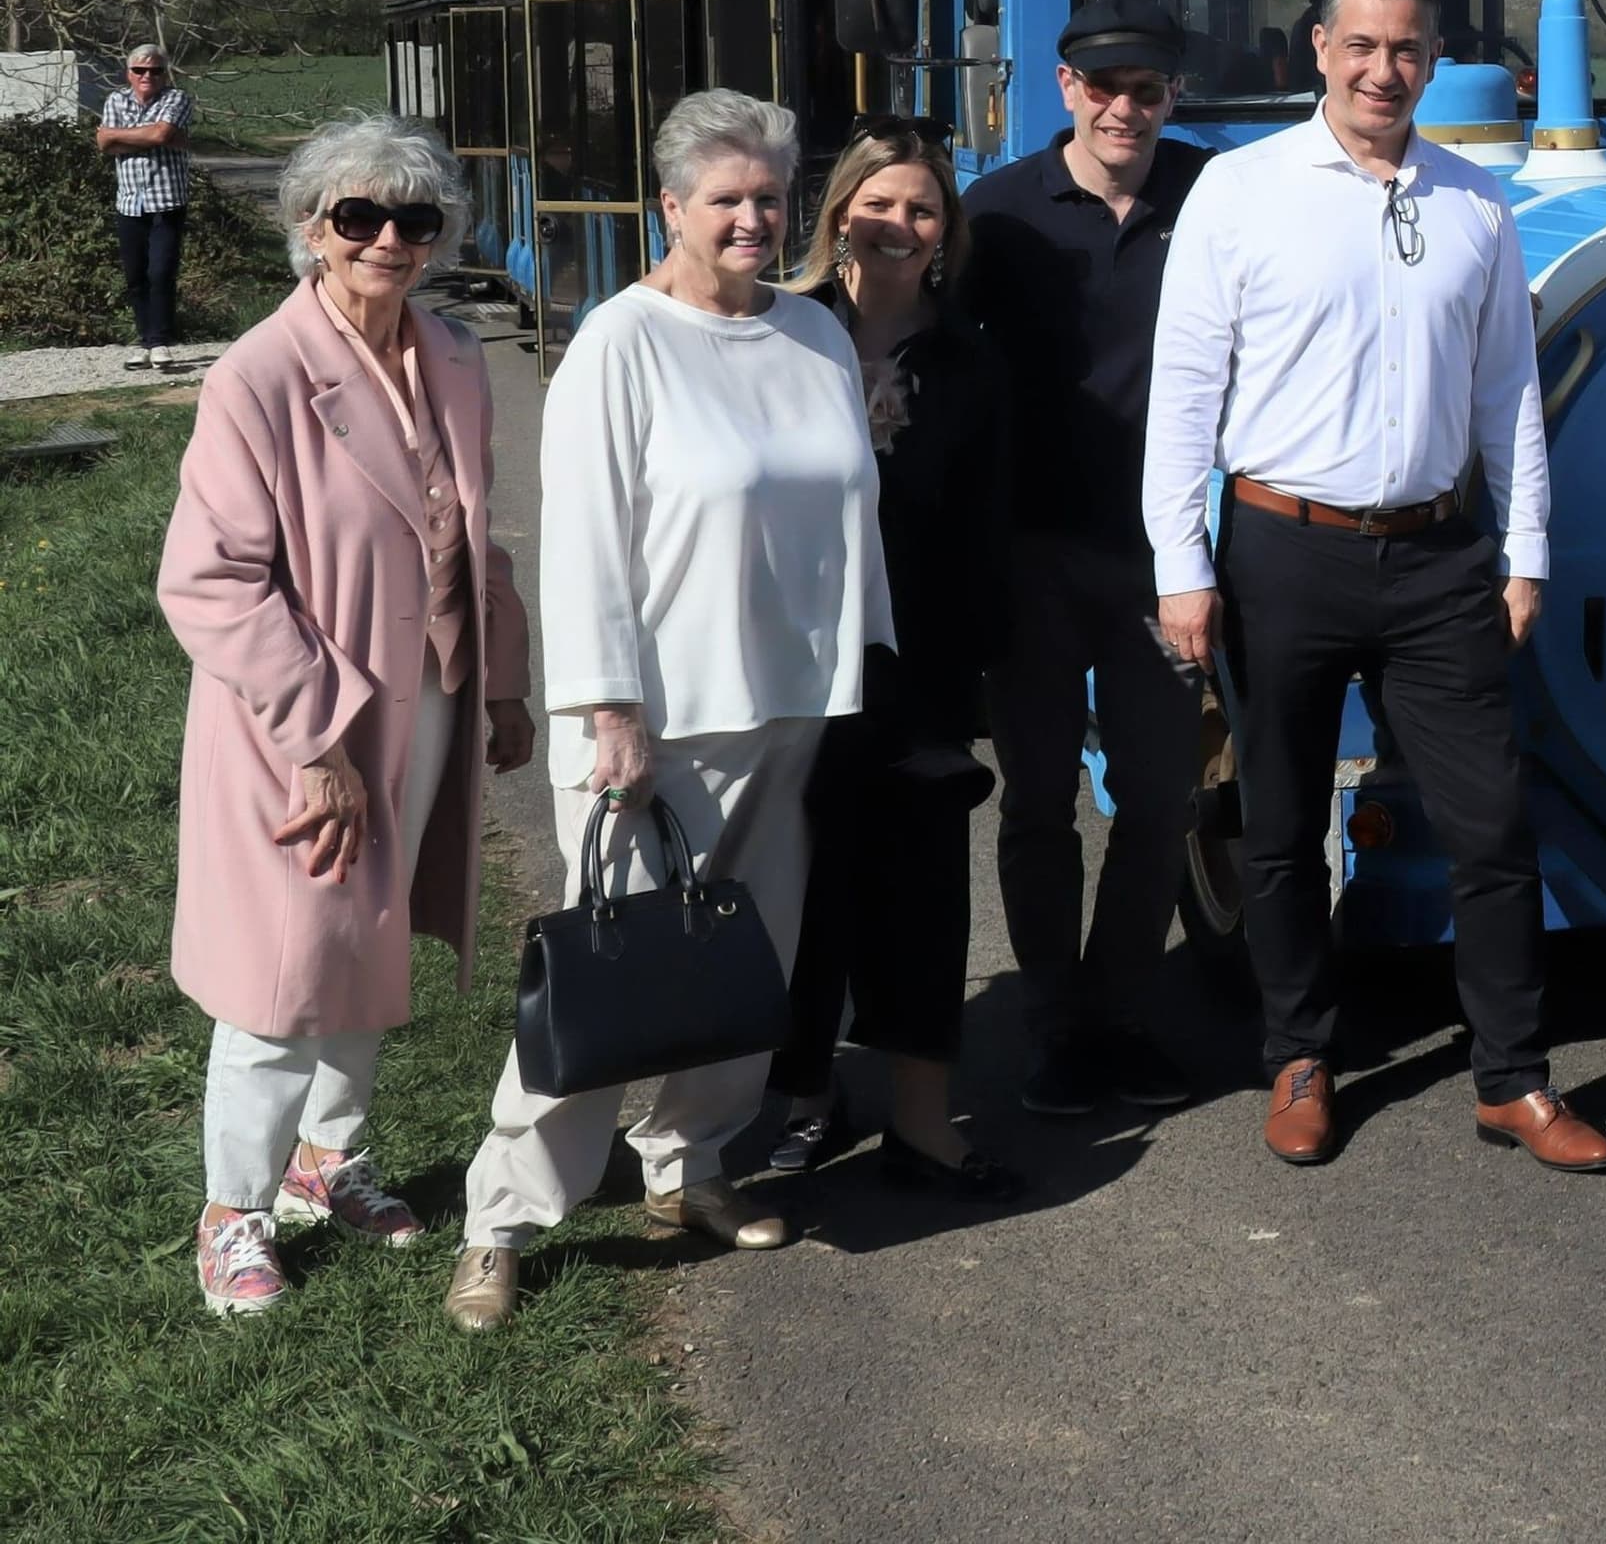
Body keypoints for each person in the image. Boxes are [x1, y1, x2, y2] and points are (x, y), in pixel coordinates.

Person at [1148, 0, 1606, 1174]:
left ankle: (1511, 1079)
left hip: (1437, 558)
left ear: (1433, 59)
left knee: (1492, 828)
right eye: (1362, 45)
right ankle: (1301, 1055)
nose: (1384, 69)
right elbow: (1184, 394)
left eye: (1407, 49)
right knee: (1282, 827)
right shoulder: (1241, 192)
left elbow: (1508, 389)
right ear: (1318, 47)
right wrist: (1179, 567)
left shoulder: (1475, 202)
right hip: (1279, 553)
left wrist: (1525, 554)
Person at [448, 91, 888, 1332]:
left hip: (792, 702)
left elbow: (847, 508)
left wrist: (860, 656)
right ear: (671, 210)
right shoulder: (620, 341)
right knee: (610, 970)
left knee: (744, 964)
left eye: (770, 197)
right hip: (654, 713)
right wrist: (607, 711)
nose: (753, 219)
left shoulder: (813, 334)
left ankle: (689, 1166)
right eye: (726, 201)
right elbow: (582, 540)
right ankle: (503, 1218)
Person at [160, 116, 534, 1315]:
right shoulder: (258, 376)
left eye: (412, 220)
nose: (386, 239)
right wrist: (314, 739)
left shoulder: (456, 358)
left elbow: (480, 548)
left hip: (423, 702)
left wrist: (507, 679)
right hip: (305, 723)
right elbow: (212, 578)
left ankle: (331, 1158)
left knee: (368, 939)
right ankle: (233, 1212)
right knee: (285, 967)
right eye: (356, 217)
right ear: (310, 231)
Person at [962, 2, 1214, 1118]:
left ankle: (1120, 1010)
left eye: (1147, 89)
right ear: (1065, 88)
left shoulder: (1213, 197)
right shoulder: (999, 215)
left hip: (1164, 557)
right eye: (1103, 86)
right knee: (1039, 801)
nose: (1125, 108)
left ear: (1171, 97)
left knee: (1162, 797)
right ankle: (1054, 1020)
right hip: (1033, 561)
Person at [766, 121, 1023, 1198]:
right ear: (838, 217)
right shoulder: (778, 336)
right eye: (879, 206)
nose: (899, 226)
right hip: (785, 666)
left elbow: (990, 527)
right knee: (801, 890)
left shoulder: (969, 360)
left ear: (945, 233)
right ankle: (805, 1102)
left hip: (917, 672)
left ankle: (924, 1122)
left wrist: (981, 675)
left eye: (922, 210)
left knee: (919, 895)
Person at [96, 44, 196, 369]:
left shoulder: (176, 98)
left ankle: (161, 341)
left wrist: (121, 136)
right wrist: (150, 135)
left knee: (161, 271)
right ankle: (144, 341)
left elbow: (161, 133)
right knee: (135, 275)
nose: (147, 76)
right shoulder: (116, 100)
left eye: (154, 70)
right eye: (140, 70)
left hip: (166, 201)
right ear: (129, 73)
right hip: (129, 203)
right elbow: (103, 143)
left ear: (164, 73)